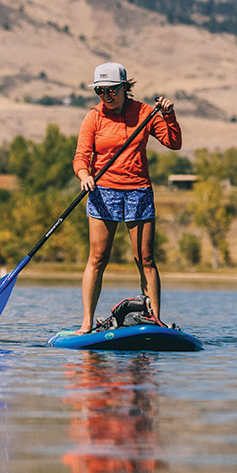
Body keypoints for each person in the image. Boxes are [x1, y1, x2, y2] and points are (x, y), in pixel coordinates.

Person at [72, 62, 180, 333]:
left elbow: (173, 143)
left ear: (124, 88)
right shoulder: (94, 117)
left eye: (111, 90)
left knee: (145, 259)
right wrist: (84, 174)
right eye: (100, 91)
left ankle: (154, 320)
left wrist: (169, 115)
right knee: (97, 258)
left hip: (138, 191)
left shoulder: (145, 112)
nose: (106, 96)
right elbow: (81, 155)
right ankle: (86, 323)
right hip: (102, 191)